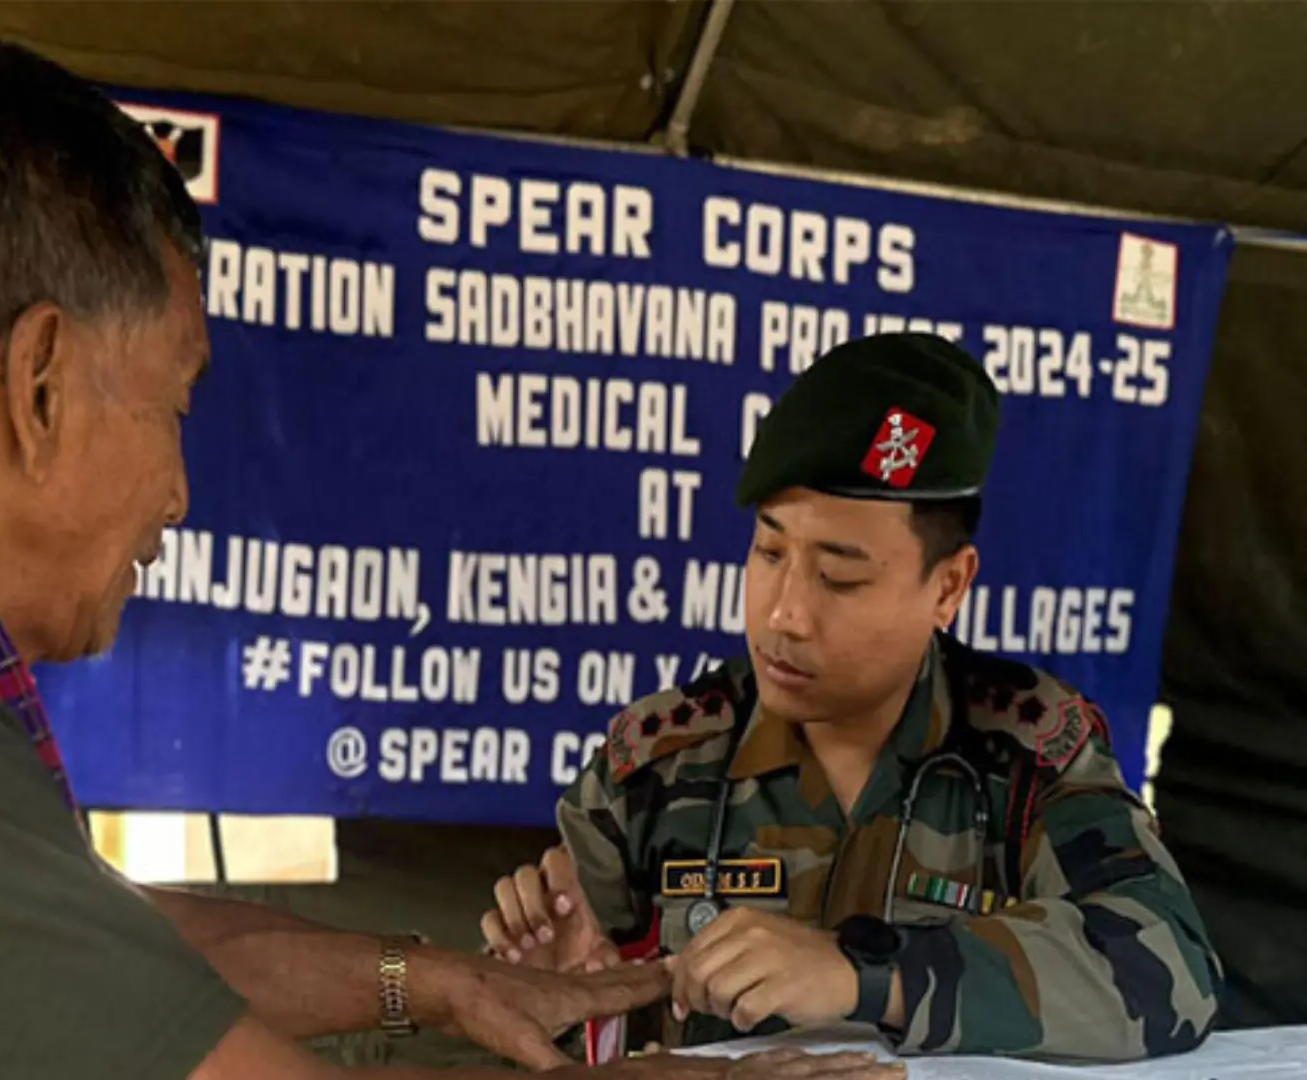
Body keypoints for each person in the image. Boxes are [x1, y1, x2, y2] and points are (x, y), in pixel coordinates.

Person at [0, 38, 908, 1080]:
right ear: (41, 384)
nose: (176, 493)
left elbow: (99, 942)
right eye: (173, 406)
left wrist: (432, 982)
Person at [482, 333, 1224, 1062]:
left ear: (948, 586)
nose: (784, 615)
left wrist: (869, 973)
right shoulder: (660, 765)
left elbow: (1170, 974)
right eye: (769, 552)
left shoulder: (1022, 754)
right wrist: (551, 999)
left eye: (839, 578)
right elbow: (564, 1010)